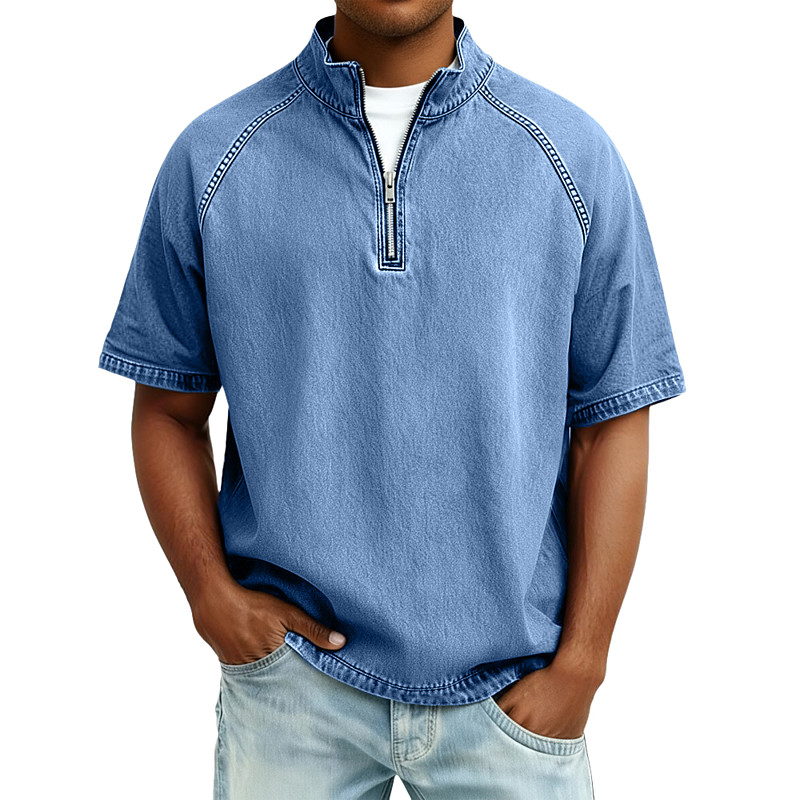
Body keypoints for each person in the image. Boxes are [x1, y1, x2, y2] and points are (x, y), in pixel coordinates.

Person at [98, 2, 686, 798]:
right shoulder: (216, 155)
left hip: (515, 693)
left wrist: (584, 661)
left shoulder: (571, 155)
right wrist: (210, 596)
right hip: (294, 692)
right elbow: (168, 408)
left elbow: (612, 420)